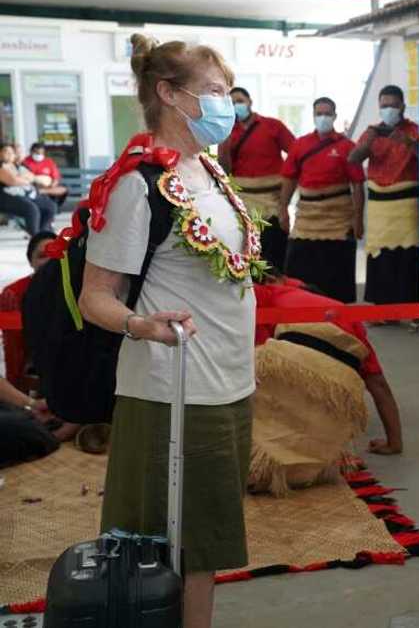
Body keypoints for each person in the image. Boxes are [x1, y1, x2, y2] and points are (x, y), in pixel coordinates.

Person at [78, 34, 260, 628]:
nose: (224, 104)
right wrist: (141, 325)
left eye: (226, 92)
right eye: (212, 92)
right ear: (168, 94)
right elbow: (95, 298)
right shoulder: (138, 185)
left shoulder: (206, 171)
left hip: (229, 382)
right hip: (172, 390)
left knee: (202, 542)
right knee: (162, 546)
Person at [254, 275, 403, 455]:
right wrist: (394, 442)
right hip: (340, 381)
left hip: (301, 364)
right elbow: (378, 384)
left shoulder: (262, 296)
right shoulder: (340, 311)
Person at [280, 97, 364, 304]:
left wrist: (358, 220)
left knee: (337, 271)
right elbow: (289, 179)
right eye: (319, 113)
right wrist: (282, 209)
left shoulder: (347, 146)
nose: (323, 117)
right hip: (306, 217)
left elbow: (358, 186)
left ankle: (338, 315)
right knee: (299, 268)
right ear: (313, 116)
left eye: (327, 113)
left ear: (335, 116)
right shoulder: (300, 145)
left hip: (338, 217)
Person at [349, 85, 419, 308]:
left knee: (407, 257)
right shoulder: (372, 131)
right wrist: (368, 141)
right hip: (379, 206)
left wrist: (408, 142)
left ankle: (408, 308)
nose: (388, 109)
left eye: (392, 105)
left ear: (402, 106)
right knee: (379, 257)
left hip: (407, 203)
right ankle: (380, 309)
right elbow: (353, 159)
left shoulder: (414, 131)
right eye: (384, 106)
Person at [218, 87, 295, 271]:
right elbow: (224, 170)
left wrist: (286, 198)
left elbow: (296, 155)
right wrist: (224, 144)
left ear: (250, 102)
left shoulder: (273, 125)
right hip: (243, 201)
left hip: (273, 202)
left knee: (274, 254)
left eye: (240, 101)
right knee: (249, 255)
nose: (237, 105)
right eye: (232, 103)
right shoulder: (227, 131)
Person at [1, 232, 61, 393]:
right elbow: (13, 351)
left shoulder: (80, 289)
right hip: (34, 380)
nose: (49, 261)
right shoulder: (11, 294)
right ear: (31, 262)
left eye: (54, 254)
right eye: (42, 256)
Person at [0, 143, 56, 235]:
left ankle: (43, 234)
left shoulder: (18, 166)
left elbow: (34, 178)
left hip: (23, 194)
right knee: (32, 209)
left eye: (11, 152)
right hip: (5, 197)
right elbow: (13, 181)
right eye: (6, 152)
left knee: (50, 206)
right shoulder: (1, 166)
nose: (9, 154)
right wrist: (27, 179)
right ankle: (35, 237)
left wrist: (25, 178)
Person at [23, 142, 69, 208]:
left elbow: (56, 177)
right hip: (33, 185)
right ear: (31, 152)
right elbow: (25, 176)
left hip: (48, 186)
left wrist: (53, 184)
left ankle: (55, 207)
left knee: (64, 189)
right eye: (37, 153)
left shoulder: (48, 161)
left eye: (41, 153)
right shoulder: (25, 161)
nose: (39, 155)